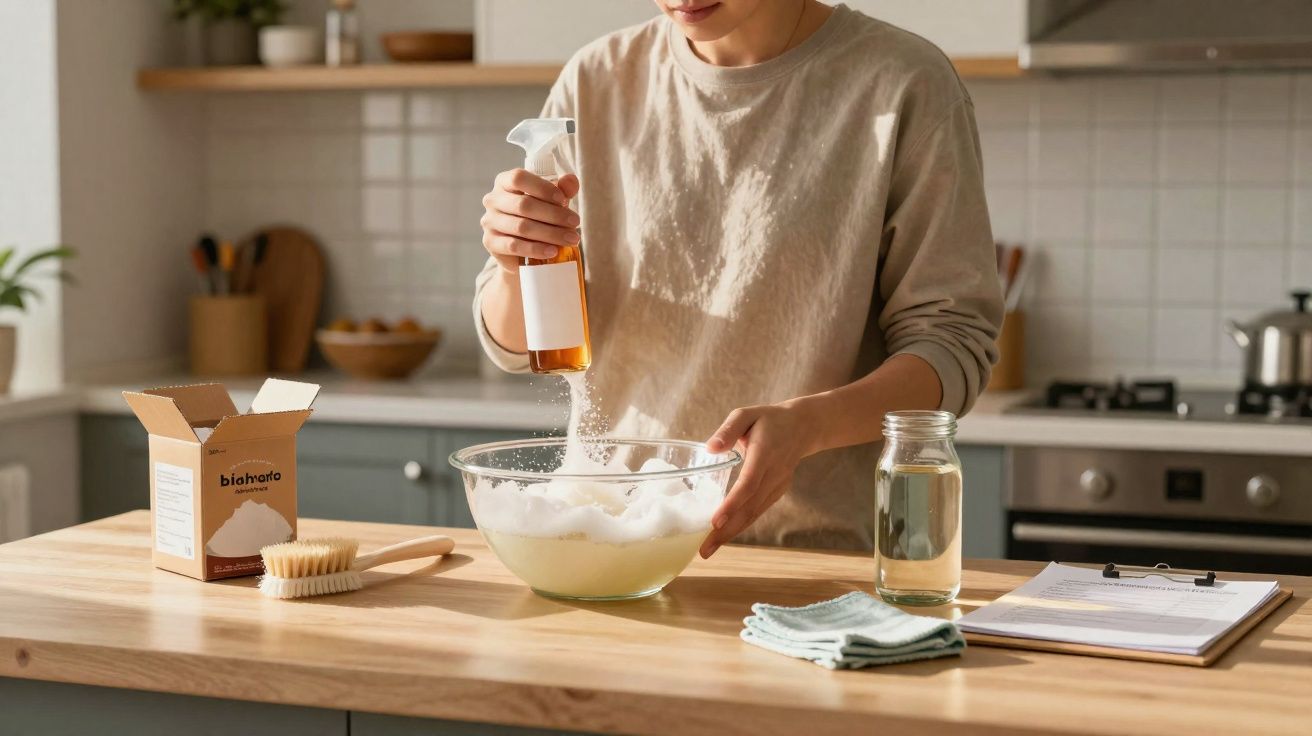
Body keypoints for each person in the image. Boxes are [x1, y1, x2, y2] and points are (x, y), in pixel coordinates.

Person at [475, 1, 1003, 558]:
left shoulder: (903, 82)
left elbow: (951, 345)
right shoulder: (595, 79)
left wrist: (810, 426)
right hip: (603, 540)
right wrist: (516, 263)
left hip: (805, 562)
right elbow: (511, 345)